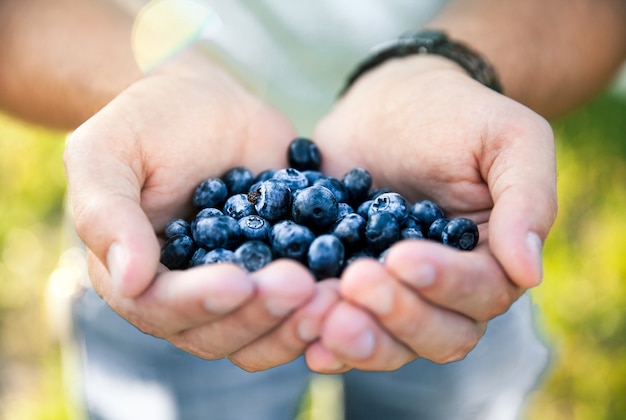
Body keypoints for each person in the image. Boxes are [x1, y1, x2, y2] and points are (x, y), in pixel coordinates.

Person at [1, 0, 625, 418]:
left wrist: (455, 67)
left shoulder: (425, 224)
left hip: (438, 229)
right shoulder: (205, 218)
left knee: (447, 383)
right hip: (162, 166)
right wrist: (150, 85)